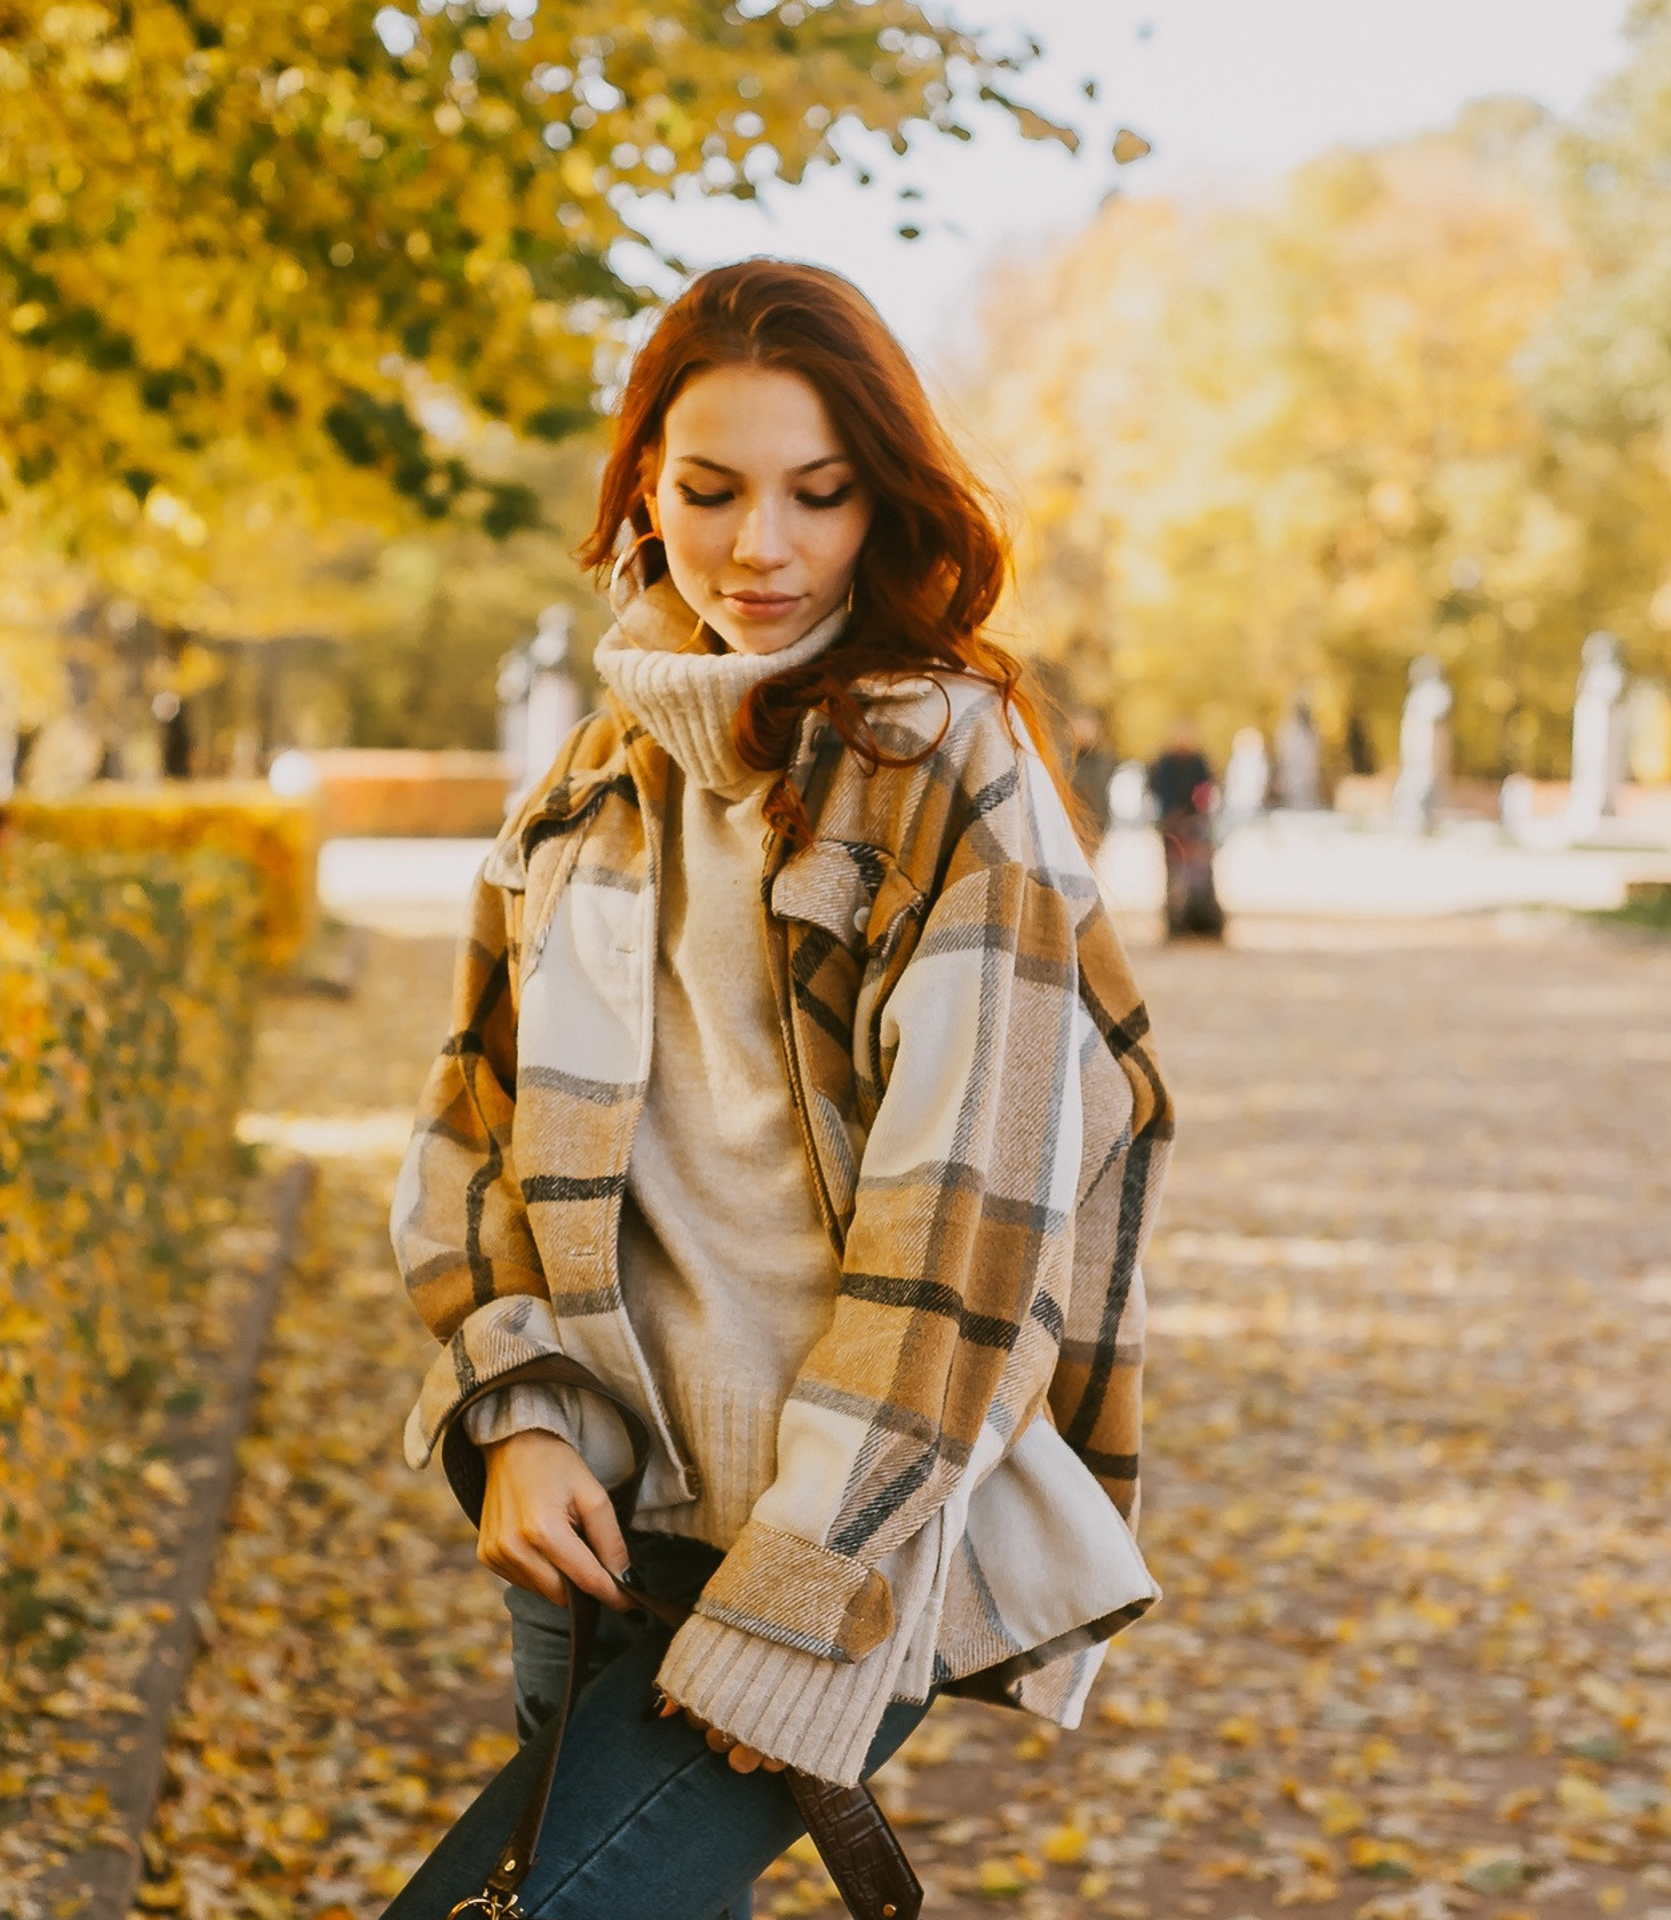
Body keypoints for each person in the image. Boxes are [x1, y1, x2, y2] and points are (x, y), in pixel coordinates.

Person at [386, 259, 1174, 1920]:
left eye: (819, 494)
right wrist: (516, 1406)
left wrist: (802, 1594)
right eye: (711, 489)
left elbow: (965, 1241)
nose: (762, 546)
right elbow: (476, 1120)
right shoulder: (585, 788)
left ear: (882, 501)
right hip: (596, 1521)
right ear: (642, 494)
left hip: (843, 1539)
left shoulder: (950, 775)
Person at [1149, 721, 1224, 938]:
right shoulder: (1165, 763)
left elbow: (1205, 790)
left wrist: (1195, 812)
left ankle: (1200, 920)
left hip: (1194, 824)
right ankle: (1175, 923)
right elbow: (1160, 791)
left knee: (1200, 873)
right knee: (1174, 875)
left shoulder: (1199, 762)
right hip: (1172, 826)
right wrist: (1173, 815)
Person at [1068, 707, 1117, 842]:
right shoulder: (1066, 758)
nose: (1084, 731)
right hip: (1071, 822)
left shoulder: (1103, 759)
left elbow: (1099, 789)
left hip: (1095, 822)